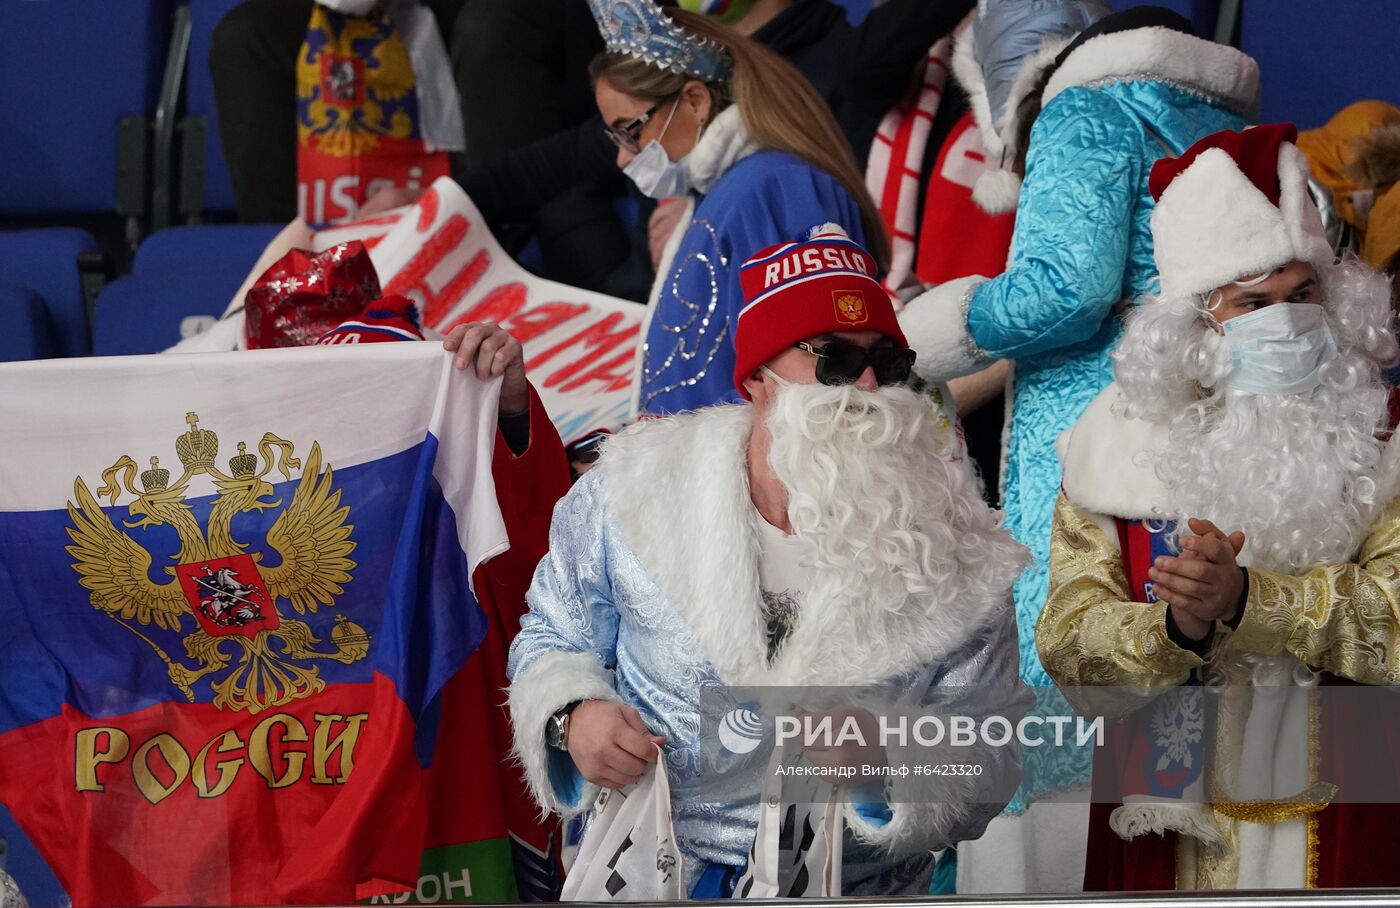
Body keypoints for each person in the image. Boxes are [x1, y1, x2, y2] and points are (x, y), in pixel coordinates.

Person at [505, 229, 1029, 896]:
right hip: (656, 879)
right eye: (834, 360)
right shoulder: (631, 494)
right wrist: (570, 717)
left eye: (889, 362)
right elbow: (553, 636)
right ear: (758, 380)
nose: (867, 385)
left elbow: (993, 749)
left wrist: (890, 763)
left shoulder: (958, 550)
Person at [891, 7, 1261, 892]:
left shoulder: (1087, 106)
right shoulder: (1227, 121)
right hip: (1202, 455)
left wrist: (933, 330)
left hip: (1087, 457)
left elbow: (1067, 286)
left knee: (1065, 714)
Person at [1040, 124, 1400, 889]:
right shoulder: (1111, 451)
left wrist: (1251, 599)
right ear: (1198, 326)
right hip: (1174, 847)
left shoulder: (1388, 433)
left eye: (1304, 295)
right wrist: (1179, 624)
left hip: (1351, 816)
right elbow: (1073, 655)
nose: (1290, 324)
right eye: (1254, 303)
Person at [584, 0, 893, 415]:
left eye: (629, 132)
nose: (624, 158)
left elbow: (816, 386)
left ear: (695, 101)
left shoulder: (774, 190)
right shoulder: (728, 191)